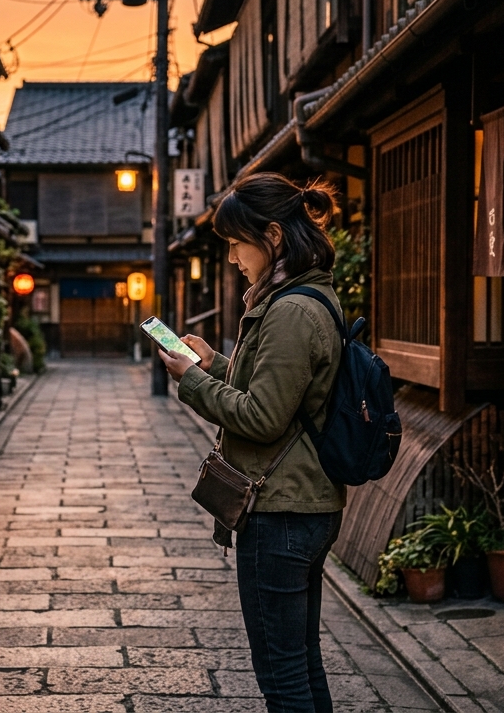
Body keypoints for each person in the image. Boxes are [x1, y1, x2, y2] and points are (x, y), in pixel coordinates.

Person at [158, 171, 346, 713]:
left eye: (239, 244)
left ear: (274, 236)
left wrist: (191, 382)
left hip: (281, 510)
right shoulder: (302, 295)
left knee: (283, 676)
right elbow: (276, 393)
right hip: (302, 504)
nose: (235, 256)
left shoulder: (290, 309)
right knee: (301, 663)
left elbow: (262, 417)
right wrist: (214, 364)